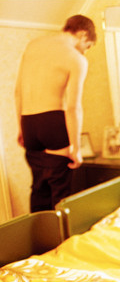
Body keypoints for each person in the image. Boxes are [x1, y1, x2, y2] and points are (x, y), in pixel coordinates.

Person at [15, 14, 96, 212]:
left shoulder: (33, 45)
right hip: (52, 122)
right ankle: (60, 233)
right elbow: (73, 107)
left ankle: (39, 232)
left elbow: (18, 92)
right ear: (83, 34)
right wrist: (76, 148)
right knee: (61, 193)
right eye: (87, 47)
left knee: (38, 189)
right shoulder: (76, 59)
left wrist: (21, 128)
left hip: (28, 122)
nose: (85, 52)